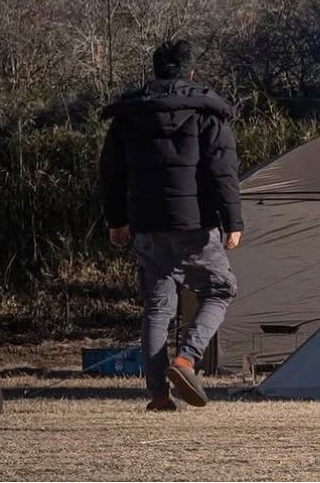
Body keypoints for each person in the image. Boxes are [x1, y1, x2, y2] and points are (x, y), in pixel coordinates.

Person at [100, 38, 243, 411]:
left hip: (147, 224)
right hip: (196, 223)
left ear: (155, 69)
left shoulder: (129, 116)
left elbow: (111, 174)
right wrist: (233, 221)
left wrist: (117, 220)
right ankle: (186, 360)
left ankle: (159, 396)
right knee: (220, 289)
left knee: (158, 307)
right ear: (191, 71)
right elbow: (222, 173)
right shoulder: (207, 114)